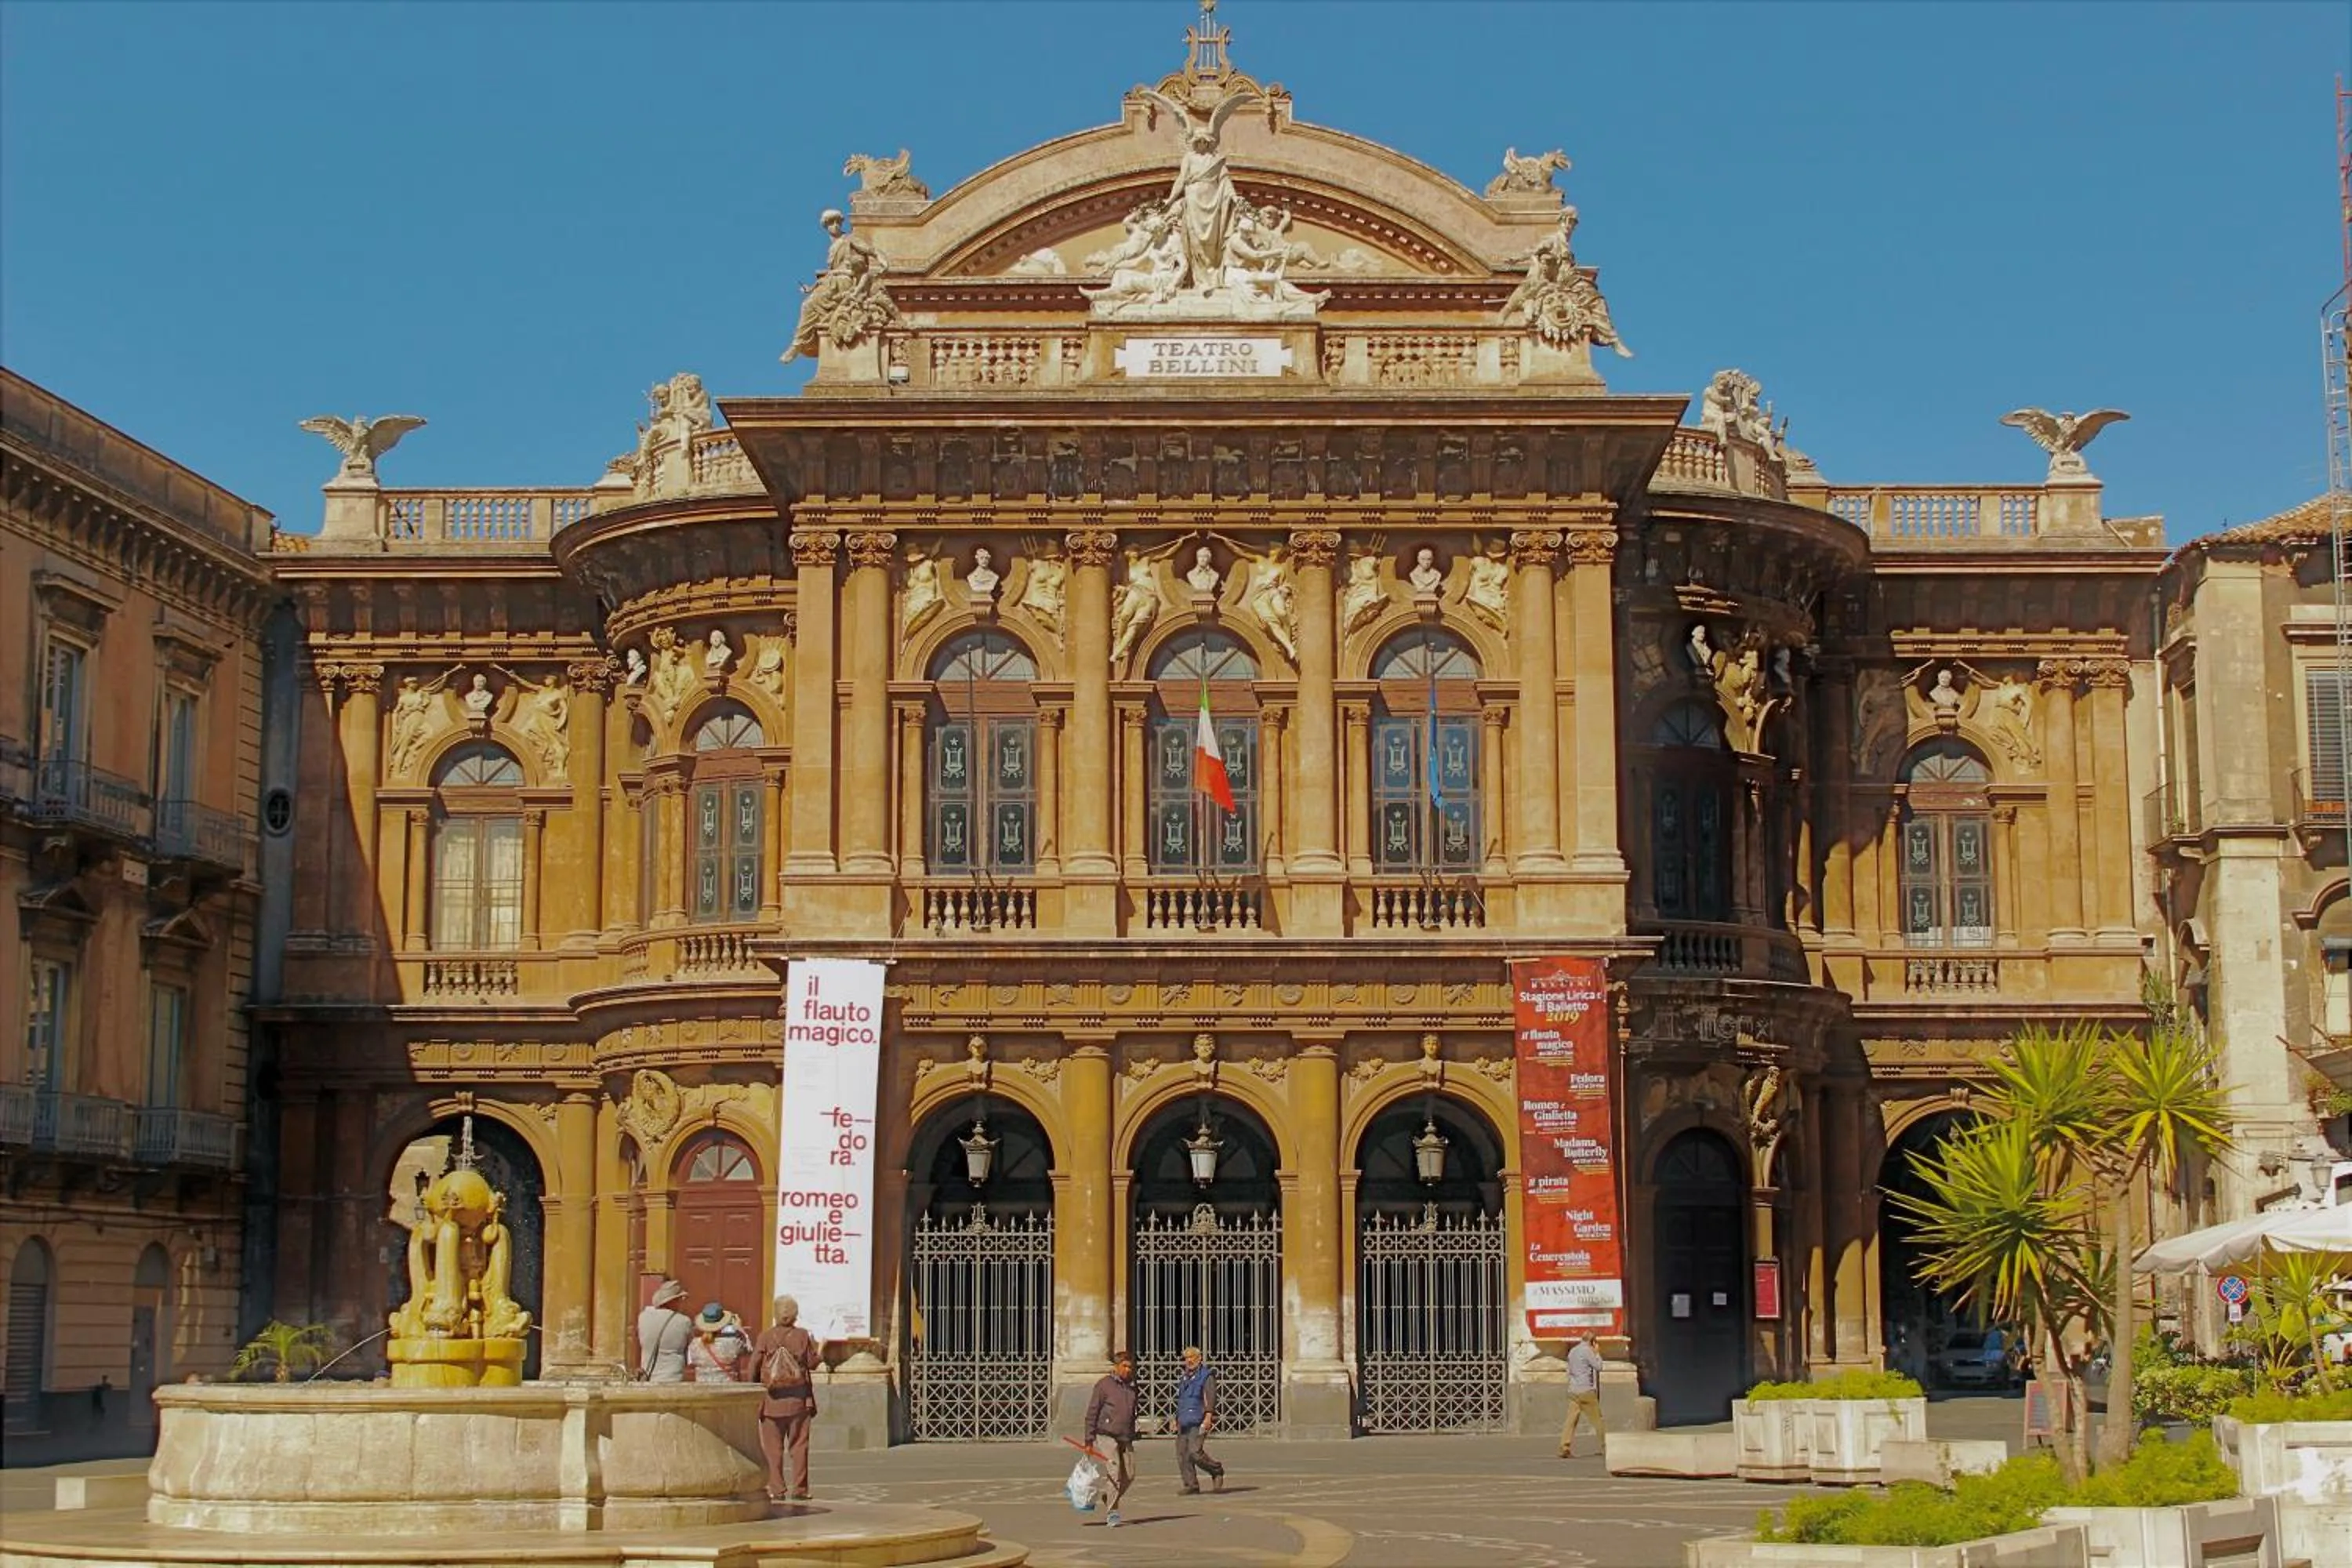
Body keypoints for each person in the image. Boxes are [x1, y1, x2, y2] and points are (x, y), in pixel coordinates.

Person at [752, 1294, 824, 1503]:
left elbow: (755, 1364)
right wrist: (821, 1351)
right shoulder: (802, 1336)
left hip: (771, 1401)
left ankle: (777, 1489)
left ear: (775, 1314)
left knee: (773, 1449)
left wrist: (754, 1386)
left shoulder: (765, 1337)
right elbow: (812, 1363)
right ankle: (800, 1489)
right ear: (795, 1315)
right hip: (799, 1400)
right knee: (800, 1446)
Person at [1082, 1348, 1141, 1527]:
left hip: (1125, 1436)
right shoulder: (1104, 1385)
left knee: (1129, 1474)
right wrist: (1089, 1440)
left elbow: (1132, 1413)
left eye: (1131, 1367)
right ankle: (1113, 1511)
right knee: (1114, 1473)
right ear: (1116, 1367)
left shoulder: (1132, 1387)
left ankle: (1109, 1495)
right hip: (1105, 1434)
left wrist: (1134, 1431)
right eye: (1124, 1366)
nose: (1128, 1370)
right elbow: (1092, 1412)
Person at [1173, 1345, 1226, 1495]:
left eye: (1192, 1357)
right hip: (1184, 1419)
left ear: (1199, 1358)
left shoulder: (1206, 1376)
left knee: (1195, 1451)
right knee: (1182, 1453)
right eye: (1186, 1358)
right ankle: (1191, 1484)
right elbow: (1181, 1400)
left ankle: (1216, 1470)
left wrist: (1209, 1415)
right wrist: (1176, 1418)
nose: (1189, 1361)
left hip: (1199, 1418)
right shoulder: (1184, 1377)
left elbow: (1210, 1397)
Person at [1560, 1330, 1607, 1458]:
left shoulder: (1573, 1351)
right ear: (1592, 1341)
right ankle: (1605, 1446)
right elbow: (1598, 1367)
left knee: (1571, 1420)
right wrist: (1597, 1353)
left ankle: (1564, 1447)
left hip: (1573, 1390)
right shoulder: (1587, 1351)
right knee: (1598, 1420)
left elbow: (1568, 1371)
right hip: (1586, 1390)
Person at [637, 1279, 694, 1384]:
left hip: (648, 1375)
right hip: (673, 1376)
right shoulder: (684, 1321)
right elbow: (690, 1345)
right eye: (680, 1299)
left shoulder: (643, 1317)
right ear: (673, 1301)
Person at [688, 1301, 749, 1383]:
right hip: (728, 1389)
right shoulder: (733, 1343)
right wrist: (740, 1329)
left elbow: (690, 1362)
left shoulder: (694, 1344)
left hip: (703, 1388)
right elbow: (749, 1349)